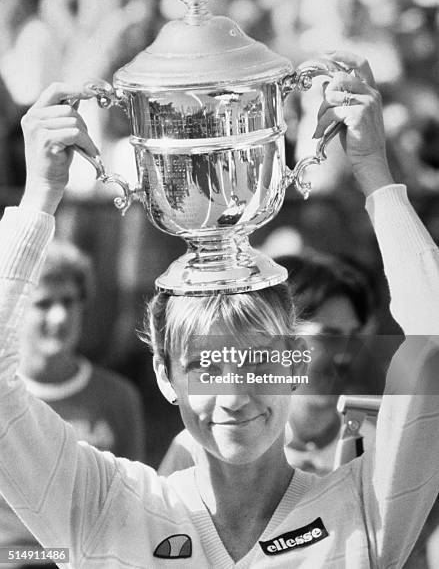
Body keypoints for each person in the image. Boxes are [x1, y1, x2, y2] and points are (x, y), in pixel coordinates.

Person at [0, 51, 438, 568]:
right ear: (164, 374)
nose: (232, 396)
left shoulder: (366, 508)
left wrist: (373, 172)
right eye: (205, 366)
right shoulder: (105, 507)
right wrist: (39, 198)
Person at [158, 250, 379, 477]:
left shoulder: (377, 445)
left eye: (354, 338)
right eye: (329, 338)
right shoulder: (203, 446)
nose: (345, 356)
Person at [0, 239, 147, 569]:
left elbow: (131, 507)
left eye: (69, 301)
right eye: (43, 303)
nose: (59, 316)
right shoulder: (3, 401)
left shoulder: (118, 397)